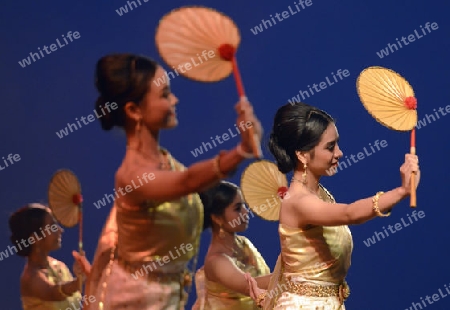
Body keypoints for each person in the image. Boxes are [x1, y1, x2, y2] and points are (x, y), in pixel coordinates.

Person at [84, 53, 263, 310]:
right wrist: (240, 151)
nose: (175, 99)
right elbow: (187, 181)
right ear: (134, 110)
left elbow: (194, 185)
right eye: (165, 94)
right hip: (133, 301)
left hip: (167, 296)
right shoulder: (132, 176)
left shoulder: (165, 160)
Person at [244, 102, 420, 309]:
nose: (340, 153)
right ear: (302, 154)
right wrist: (402, 191)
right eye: (330, 147)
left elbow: (296, 269)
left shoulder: (319, 194)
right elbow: (349, 214)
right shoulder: (298, 202)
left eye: (337, 144)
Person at [192, 181, 271, 310]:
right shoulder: (216, 261)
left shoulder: (244, 243)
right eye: (238, 208)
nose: (246, 212)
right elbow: (249, 287)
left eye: (244, 205)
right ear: (217, 218)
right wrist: (292, 271)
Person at [8, 203, 91, 310]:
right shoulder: (31, 278)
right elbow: (53, 293)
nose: (60, 230)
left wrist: (85, 277)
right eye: (52, 227)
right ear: (35, 238)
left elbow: (77, 304)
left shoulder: (60, 266)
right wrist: (79, 281)